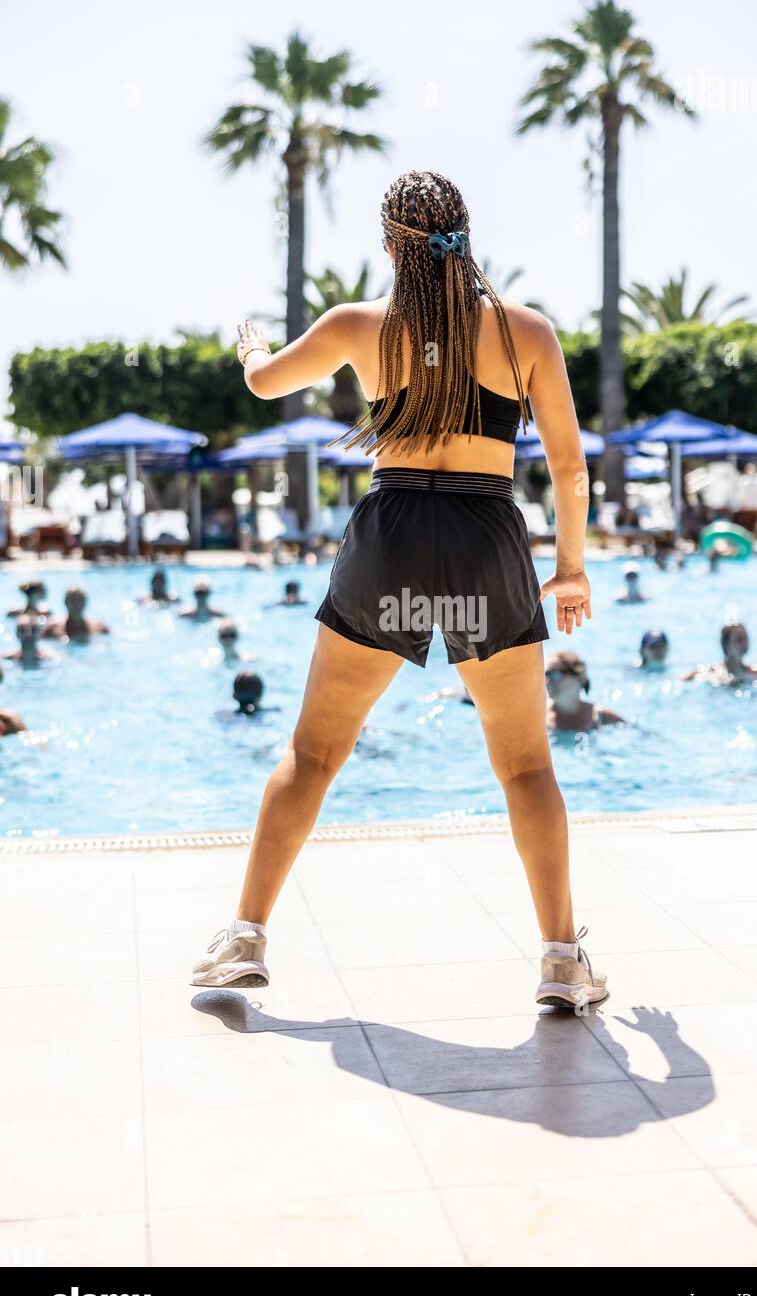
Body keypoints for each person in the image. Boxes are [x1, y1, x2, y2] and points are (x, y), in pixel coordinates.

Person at [192, 169, 607, 1013]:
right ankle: (561, 960)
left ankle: (244, 938)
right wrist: (569, 567)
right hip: (484, 537)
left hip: (390, 538)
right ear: (465, 235)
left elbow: (266, 382)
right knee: (525, 763)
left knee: (313, 755)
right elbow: (568, 466)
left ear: (388, 246)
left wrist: (247, 347)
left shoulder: (358, 326)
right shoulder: (525, 331)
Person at [545, 652, 624, 732]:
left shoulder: (599, 716)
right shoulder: (540, 717)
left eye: (554, 674)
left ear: (579, 676)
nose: (547, 681)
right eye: (545, 675)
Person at [682, 621, 757, 686]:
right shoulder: (709, 672)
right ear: (726, 645)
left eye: (745, 638)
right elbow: (681, 680)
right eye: (738, 639)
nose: (743, 643)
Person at [43, 587, 109, 640]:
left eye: (80, 600)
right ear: (65, 602)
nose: (76, 605)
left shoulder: (99, 628)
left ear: (85, 603)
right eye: (72, 600)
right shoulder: (52, 628)